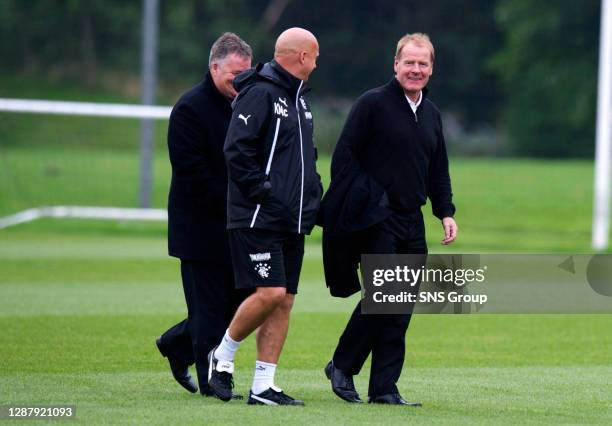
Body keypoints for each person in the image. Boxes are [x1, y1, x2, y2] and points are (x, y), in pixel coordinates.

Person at [319, 33, 458, 406]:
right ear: (395, 64)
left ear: (431, 69)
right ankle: (343, 365)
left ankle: (384, 388)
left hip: (412, 220)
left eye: (423, 64)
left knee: (400, 307)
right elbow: (344, 159)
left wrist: (445, 211)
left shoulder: (431, 114)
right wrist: (364, 203)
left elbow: (437, 168)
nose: (416, 69)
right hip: (375, 217)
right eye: (409, 62)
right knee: (383, 297)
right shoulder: (372, 104)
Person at [207, 27, 322, 406]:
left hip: (292, 220)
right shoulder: (259, 92)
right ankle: (222, 355)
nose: (317, 63)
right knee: (269, 292)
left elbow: (308, 162)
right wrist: (264, 195)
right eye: (315, 55)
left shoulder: (301, 101)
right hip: (257, 216)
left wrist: (313, 202)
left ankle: (263, 386)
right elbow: (237, 151)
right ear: (302, 57)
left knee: (284, 300)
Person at [155, 32, 252, 399]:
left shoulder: (246, 106)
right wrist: (240, 203)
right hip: (199, 228)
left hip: (237, 227)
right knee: (210, 309)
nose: (240, 81)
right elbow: (191, 173)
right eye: (234, 74)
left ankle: (176, 344)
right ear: (214, 68)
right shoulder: (189, 109)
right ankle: (213, 382)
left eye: (246, 74)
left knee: (244, 303)